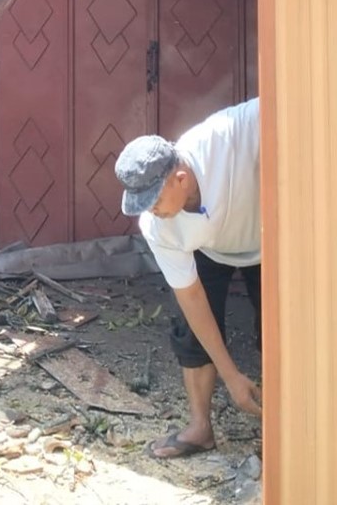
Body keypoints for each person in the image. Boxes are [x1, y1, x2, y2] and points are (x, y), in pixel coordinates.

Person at [115, 97, 262, 460]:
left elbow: (282, 100)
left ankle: (289, 426)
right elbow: (191, 297)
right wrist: (231, 377)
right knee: (190, 333)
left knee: (279, 332)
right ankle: (200, 428)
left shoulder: (228, 135)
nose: (151, 212)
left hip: (269, 240)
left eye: (154, 201)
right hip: (209, 248)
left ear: (180, 179)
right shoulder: (158, 226)